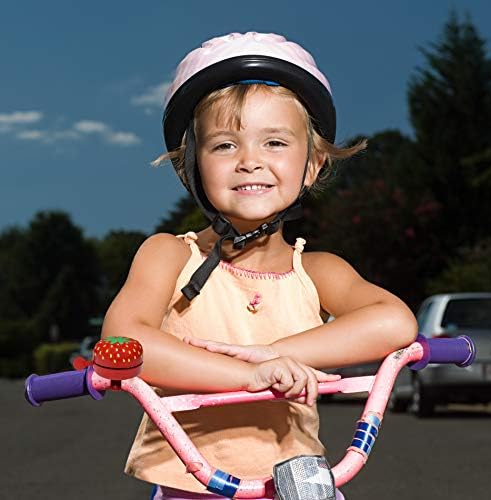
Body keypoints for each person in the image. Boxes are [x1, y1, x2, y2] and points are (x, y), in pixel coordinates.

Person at [101, 32, 418, 499]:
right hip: (192, 485)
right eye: (224, 146)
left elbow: (395, 322)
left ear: (312, 165)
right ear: (193, 166)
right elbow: (124, 341)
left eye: (274, 142)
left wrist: (272, 354)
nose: (250, 161)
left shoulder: (318, 270)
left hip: (299, 485)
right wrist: (248, 376)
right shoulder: (170, 255)